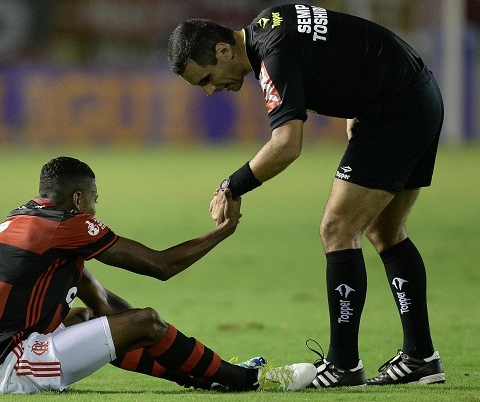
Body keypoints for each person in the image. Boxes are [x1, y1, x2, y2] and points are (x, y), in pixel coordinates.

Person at [168, 3, 445, 388]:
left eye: (207, 79)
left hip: (394, 111)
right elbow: (345, 42)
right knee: (385, 231)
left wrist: (232, 185)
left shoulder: (273, 55)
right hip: (418, 96)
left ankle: (344, 365)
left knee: (337, 229)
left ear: (223, 50)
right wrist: (359, 102)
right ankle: (421, 356)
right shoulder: (272, 22)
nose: (212, 90)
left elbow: (286, 145)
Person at [0, 156, 316, 394]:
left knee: (99, 319)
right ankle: (247, 381)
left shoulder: (21, 221)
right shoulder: (66, 224)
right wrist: (222, 231)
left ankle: (202, 378)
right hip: (3, 368)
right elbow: (161, 266)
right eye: (93, 200)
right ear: (77, 200)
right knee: (147, 321)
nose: (94, 209)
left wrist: (173, 353)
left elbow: (104, 305)